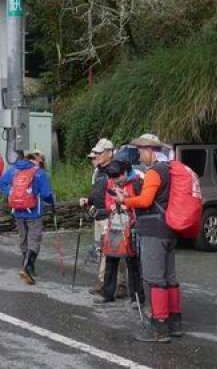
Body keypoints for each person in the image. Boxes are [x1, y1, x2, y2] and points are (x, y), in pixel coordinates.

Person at [112, 134, 181, 343]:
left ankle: (159, 326)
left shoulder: (154, 172)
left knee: (154, 278)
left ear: (150, 151)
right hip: (169, 229)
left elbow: (145, 200)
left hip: (154, 230)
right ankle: (174, 323)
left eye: (141, 152)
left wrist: (125, 200)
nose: (140, 157)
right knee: (169, 277)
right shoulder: (170, 169)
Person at [80, 138, 128, 297]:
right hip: (99, 214)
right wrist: (88, 200)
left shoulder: (117, 168)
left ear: (109, 153)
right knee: (100, 248)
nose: (97, 155)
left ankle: (121, 284)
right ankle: (103, 282)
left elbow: (121, 191)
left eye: (100, 153)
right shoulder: (98, 170)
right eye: (96, 153)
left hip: (112, 215)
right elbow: (96, 191)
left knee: (115, 249)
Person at [0, 152, 55, 285]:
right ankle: (27, 268)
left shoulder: (14, 170)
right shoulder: (39, 173)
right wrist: (51, 199)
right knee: (34, 239)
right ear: (37, 161)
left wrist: (10, 193)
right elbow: (46, 194)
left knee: (23, 239)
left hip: (18, 210)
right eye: (40, 161)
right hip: (34, 211)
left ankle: (28, 267)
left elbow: (0, 183)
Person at [97, 159, 144, 305]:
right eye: (113, 178)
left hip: (131, 225)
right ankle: (108, 293)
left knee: (133, 262)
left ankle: (137, 297)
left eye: (118, 177)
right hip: (115, 224)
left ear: (125, 173)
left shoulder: (136, 183)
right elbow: (107, 201)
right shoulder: (112, 181)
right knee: (111, 259)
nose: (115, 180)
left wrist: (126, 200)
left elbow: (142, 203)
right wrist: (112, 205)